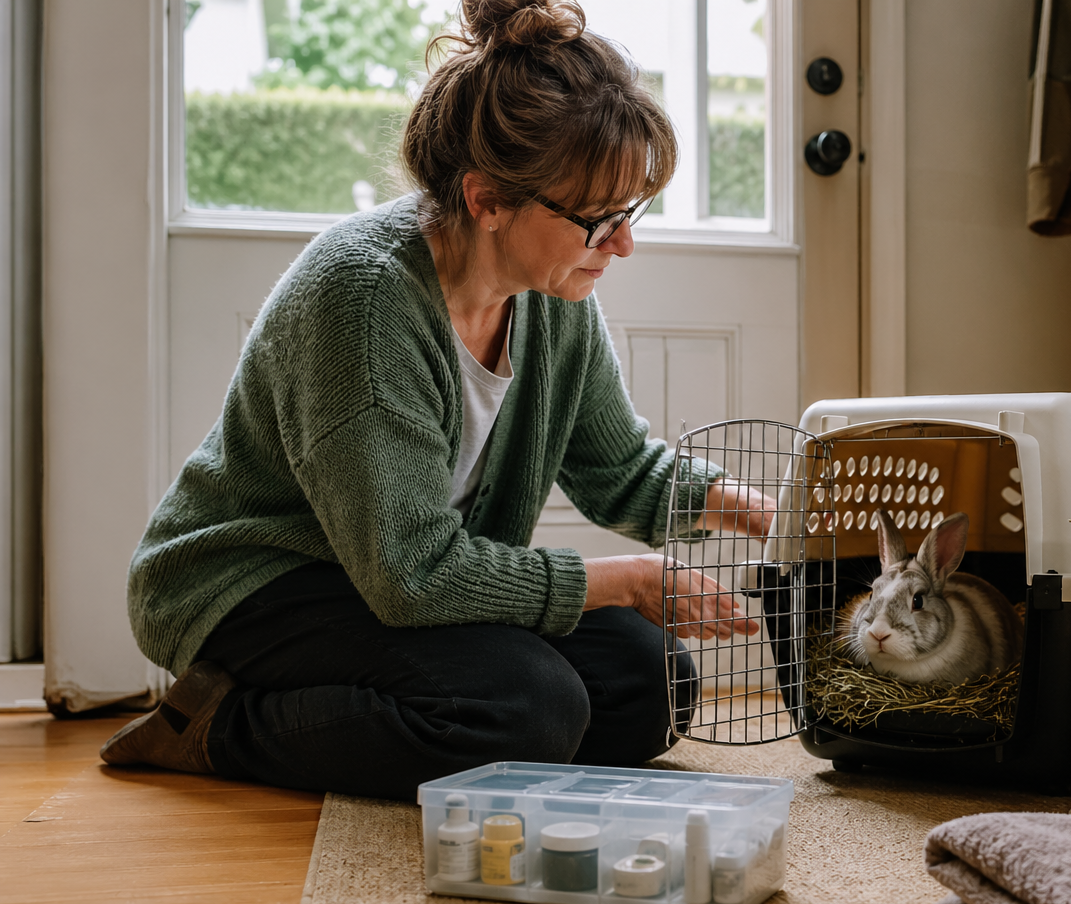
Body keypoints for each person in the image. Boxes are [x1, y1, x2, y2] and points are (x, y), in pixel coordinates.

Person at [101, 0, 772, 801]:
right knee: (526, 708)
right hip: (255, 583)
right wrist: (626, 580)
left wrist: (752, 507)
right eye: (597, 219)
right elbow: (414, 575)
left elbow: (618, 469)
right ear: (487, 199)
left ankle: (437, 725)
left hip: (391, 577)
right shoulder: (363, 299)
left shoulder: (555, 296)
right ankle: (216, 727)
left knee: (648, 687)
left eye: (630, 212)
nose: (623, 243)